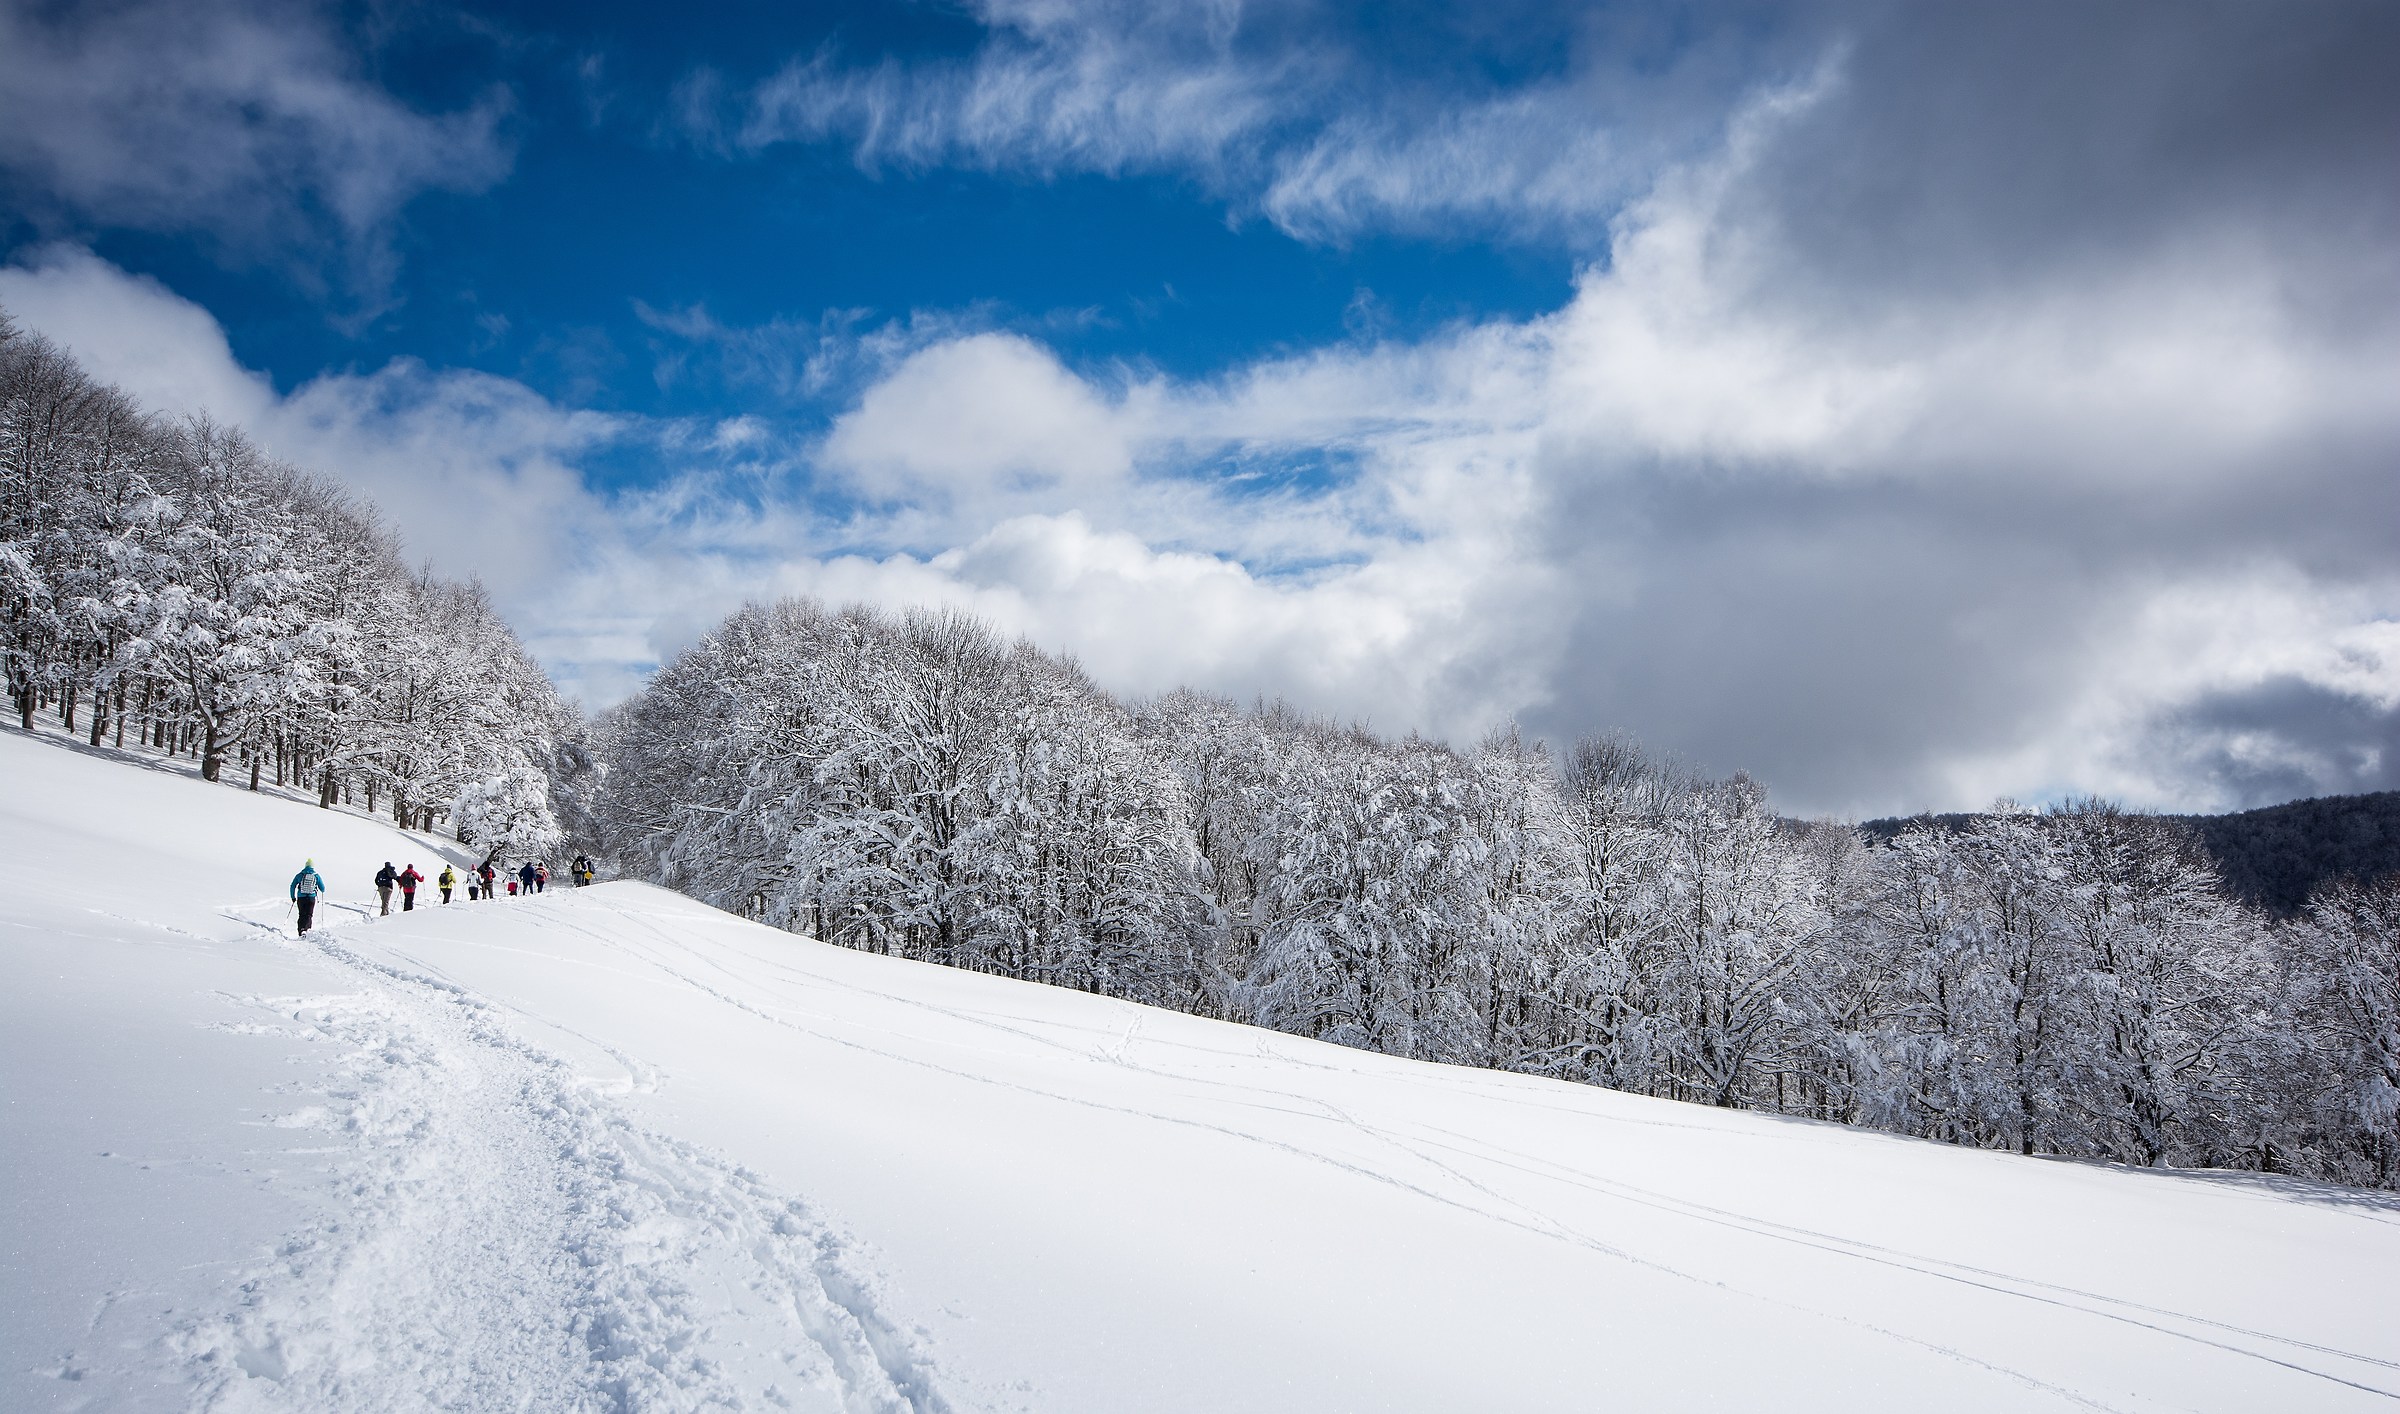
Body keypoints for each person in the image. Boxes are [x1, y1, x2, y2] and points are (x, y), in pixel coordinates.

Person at [289, 858, 325, 936]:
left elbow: (292, 886)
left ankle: (301, 930)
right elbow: (323, 888)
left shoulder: (300, 875)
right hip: (311, 898)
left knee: (301, 914)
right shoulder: (316, 876)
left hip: (301, 898)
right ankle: (307, 930)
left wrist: (293, 897)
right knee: (309, 915)